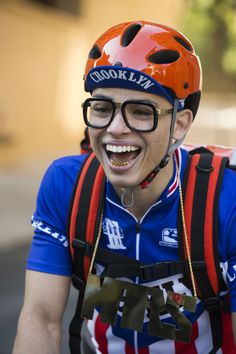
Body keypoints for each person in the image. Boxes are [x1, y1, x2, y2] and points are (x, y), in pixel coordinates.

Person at [13, 20, 236, 354]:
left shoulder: (225, 196)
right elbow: (41, 319)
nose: (116, 129)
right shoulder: (68, 185)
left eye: (140, 111)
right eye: (102, 109)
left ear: (181, 124)